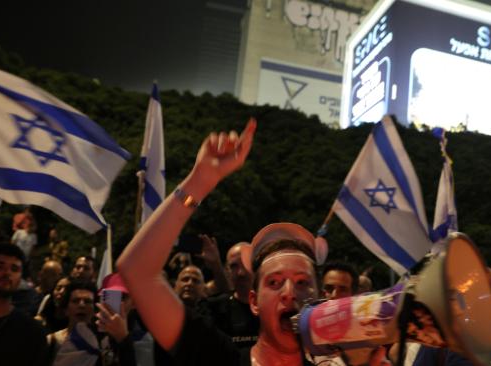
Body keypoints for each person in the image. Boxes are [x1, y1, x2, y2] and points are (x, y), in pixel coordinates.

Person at [118, 120, 334, 365]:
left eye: (302, 282)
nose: (289, 293)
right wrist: (200, 179)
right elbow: (137, 270)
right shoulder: (218, 358)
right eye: (274, 282)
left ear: (319, 299)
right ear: (254, 302)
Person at [208, 242, 260, 348]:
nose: (241, 273)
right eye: (234, 266)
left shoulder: (273, 307)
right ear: (227, 271)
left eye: (245, 264)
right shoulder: (214, 310)